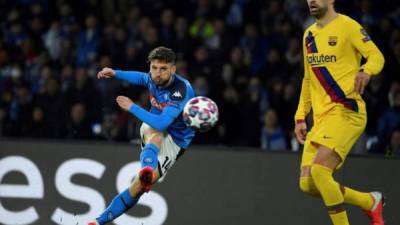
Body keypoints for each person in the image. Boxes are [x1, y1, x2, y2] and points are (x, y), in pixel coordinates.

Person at [294, 0, 385, 225]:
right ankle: (369, 201)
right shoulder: (308, 36)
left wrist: (366, 70)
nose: (312, 1)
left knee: (320, 171)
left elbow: (377, 56)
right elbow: (308, 79)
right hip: (321, 119)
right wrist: (300, 117)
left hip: (346, 110)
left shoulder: (348, 26)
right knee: (308, 184)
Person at [88, 46, 196, 225]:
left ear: (173, 69)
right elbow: (141, 77)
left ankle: (98, 221)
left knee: (137, 188)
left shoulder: (180, 91)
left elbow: (164, 123)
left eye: (163, 69)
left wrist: (132, 107)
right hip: (155, 126)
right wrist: (115, 73)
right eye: (154, 68)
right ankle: (147, 168)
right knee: (156, 134)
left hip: (176, 141)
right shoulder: (153, 78)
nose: (157, 73)